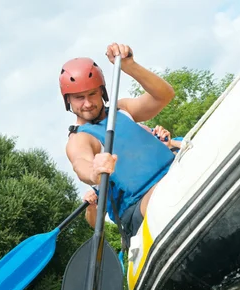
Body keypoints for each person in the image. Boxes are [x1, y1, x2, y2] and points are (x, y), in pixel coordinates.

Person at [60, 42, 175, 238]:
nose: (87, 104)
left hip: (172, 174)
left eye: (92, 94)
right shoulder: (80, 138)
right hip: (136, 207)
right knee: (167, 193)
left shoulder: (121, 110)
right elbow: (81, 164)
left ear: (103, 92)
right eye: (79, 97)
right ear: (68, 100)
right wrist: (95, 172)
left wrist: (130, 66)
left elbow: (164, 96)